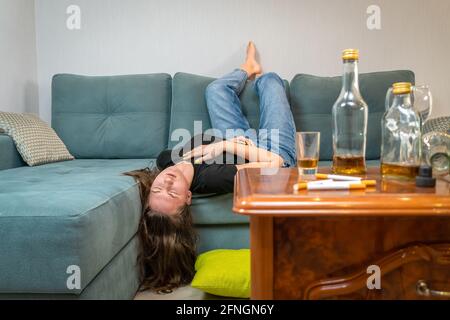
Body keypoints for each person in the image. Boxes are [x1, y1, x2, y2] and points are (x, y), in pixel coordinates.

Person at [126, 42, 297, 292]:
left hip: (234, 139)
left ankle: (248, 67)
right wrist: (233, 146)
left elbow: (211, 144)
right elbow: (276, 165)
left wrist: (231, 142)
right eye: (172, 193)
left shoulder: (165, 159)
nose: (167, 182)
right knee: (270, 82)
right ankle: (259, 76)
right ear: (188, 197)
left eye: (158, 189)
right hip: (271, 151)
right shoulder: (215, 179)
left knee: (215, 89)